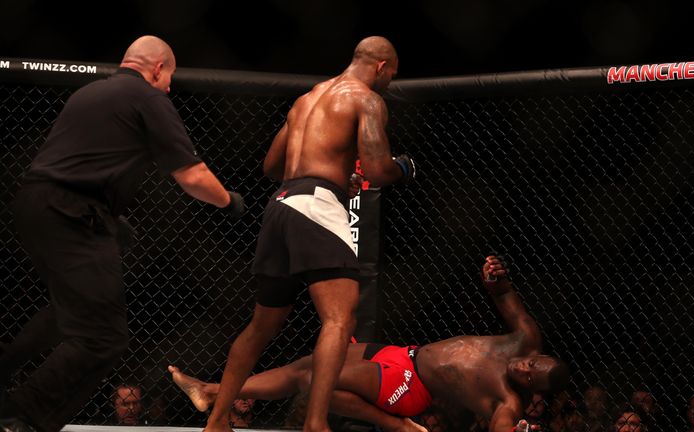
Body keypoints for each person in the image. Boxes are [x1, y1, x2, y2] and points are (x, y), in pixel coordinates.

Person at [0, 35, 244, 432]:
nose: (168, 88)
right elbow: (193, 175)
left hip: (34, 206)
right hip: (72, 214)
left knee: (68, 315)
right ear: (158, 68)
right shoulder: (148, 98)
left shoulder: (90, 92)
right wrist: (229, 202)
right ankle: (20, 413)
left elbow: (78, 162)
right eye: (170, 79)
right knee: (104, 338)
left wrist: (111, 219)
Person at [202, 36, 413, 432]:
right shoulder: (366, 99)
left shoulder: (306, 100)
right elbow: (380, 169)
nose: (390, 83)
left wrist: (331, 178)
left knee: (261, 325)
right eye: (392, 75)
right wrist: (405, 166)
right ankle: (316, 423)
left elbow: (271, 166)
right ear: (382, 66)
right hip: (316, 207)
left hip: (280, 205)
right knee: (339, 318)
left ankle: (216, 421)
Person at [170, 255, 569, 432]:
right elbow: (504, 298)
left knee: (315, 381)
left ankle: (396, 427)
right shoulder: (525, 340)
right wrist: (496, 278)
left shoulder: (507, 402)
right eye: (534, 363)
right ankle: (209, 391)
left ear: (530, 390)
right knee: (304, 366)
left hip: (412, 387)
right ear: (538, 356)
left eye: (531, 377)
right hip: (404, 354)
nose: (525, 368)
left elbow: (503, 426)